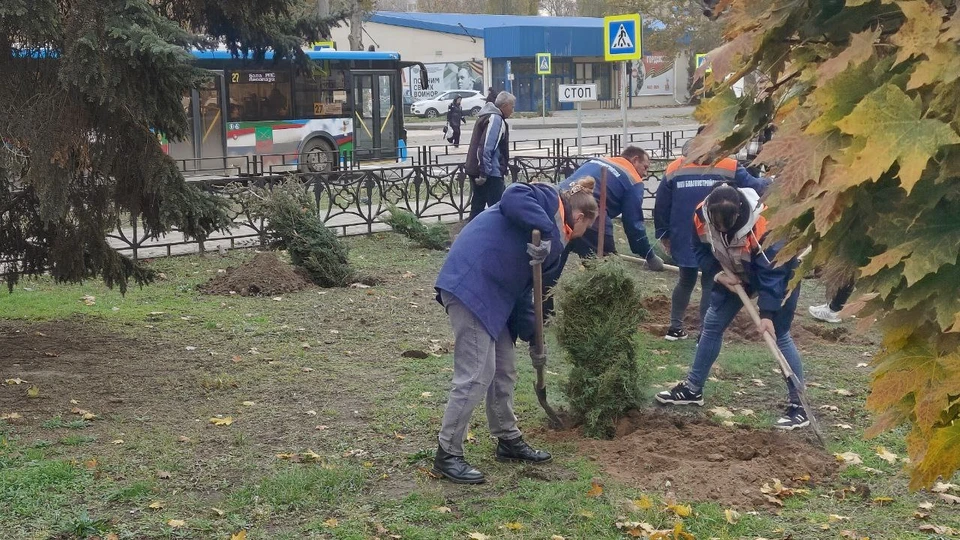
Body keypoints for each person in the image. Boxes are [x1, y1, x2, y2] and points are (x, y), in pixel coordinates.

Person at [432, 177, 601, 484]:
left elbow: (528, 293)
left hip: (498, 297)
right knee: (476, 374)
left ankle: (507, 439)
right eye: (586, 228)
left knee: (505, 370)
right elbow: (513, 194)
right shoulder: (548, 199)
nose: (582, 235)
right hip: (473, 285)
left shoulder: (553, 245)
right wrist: (547, 232)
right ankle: (447, 454)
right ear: (579, 217)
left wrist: (535, 336)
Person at [656, 184, 810, 430]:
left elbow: (773, 273)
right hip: (735, 271)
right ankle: (693, 389)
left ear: (739, 214)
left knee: (778, 333)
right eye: (717, 226)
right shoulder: (700, 216)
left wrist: (768, 314)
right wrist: (718, 274)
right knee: (712, 324)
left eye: (727, 226)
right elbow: (700, 250)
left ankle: (798, 405)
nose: (721, 230)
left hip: (779, 273)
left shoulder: (765, 225)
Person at [654, 135, 770, 341]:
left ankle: (675, 328)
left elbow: (661, 205)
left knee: (685, 279)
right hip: (716, 232)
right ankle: (704, 334)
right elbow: (756, 187)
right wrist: (773, 181)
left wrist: (663, 233)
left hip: (683, 233)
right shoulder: (729, 165)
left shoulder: (675, 168)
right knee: (710, 282)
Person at [555, 146, 663, 269]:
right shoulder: (633, 180)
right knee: (606, 269)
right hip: (589, 214)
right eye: (645, 167)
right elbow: (633, 223)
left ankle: (542, 287)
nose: (645, 173)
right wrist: (649, 256)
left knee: (554, 258)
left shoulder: (596, 160)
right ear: (635, 160)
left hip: (560, 204)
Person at [465, 91, 514, 221]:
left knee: (477, 207)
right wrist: (484, 173)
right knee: (498, 210)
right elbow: (486, 147)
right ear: (505, 105)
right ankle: (497, 238)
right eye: (512, 106)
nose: (513, 110)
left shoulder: (486, 116)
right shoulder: (495, 119)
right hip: (490, 173)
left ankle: (471, 238)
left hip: (481, 170)